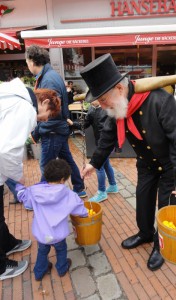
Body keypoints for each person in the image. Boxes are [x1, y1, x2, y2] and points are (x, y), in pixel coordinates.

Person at [79, 53, 176, 271]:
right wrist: (94, 163)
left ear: (120, 89)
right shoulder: (117, 107)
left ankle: (161, 246)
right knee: (143, 202)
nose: (102, 106)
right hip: (147, 165)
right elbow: (108, 137)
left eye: (103, 100)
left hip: (170, 166)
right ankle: (145, 233)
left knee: (166, 208)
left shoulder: (161, 100)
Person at [0, 78, 61, 280]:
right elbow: (7, 150)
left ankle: (7, 243)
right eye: (46, 116)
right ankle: (1, 267)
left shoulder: (12, 95)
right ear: (43, 102)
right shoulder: (25, 108)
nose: (43, 120)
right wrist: (19, 177)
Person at [25, 44, 87, 198]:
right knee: (67, 160)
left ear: (32, 61)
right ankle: (79, 188)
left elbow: (51, 115)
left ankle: (42, 196)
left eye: (27, 61)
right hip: (57, 129)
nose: (27, 64)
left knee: (46, 166)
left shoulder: (48, 80)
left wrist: (37, 133)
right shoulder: (50, 76)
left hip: (52, 131)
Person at [16, 159, 88, 280]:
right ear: (62, 180)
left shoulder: (34, 191)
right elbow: (79, 209)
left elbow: (23, 197)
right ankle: (62, 268)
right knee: (61, 251)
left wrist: (20, 186)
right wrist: (85, 214)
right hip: (58, 235)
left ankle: (39, 272)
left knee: (42, 252)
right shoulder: (70, 195)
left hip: (42, 234)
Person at [73, 99, 118, 202]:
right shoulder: (92, 109)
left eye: (93, 99)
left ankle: (102, 192)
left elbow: (110, 130)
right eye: (90, 100)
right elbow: (85, 124)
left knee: (99, 167)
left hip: (106, 144)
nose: (91, 102)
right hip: (100, 143)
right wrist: (73, 123)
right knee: (106, 164)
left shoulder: (108, 108)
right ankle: (113, 185)